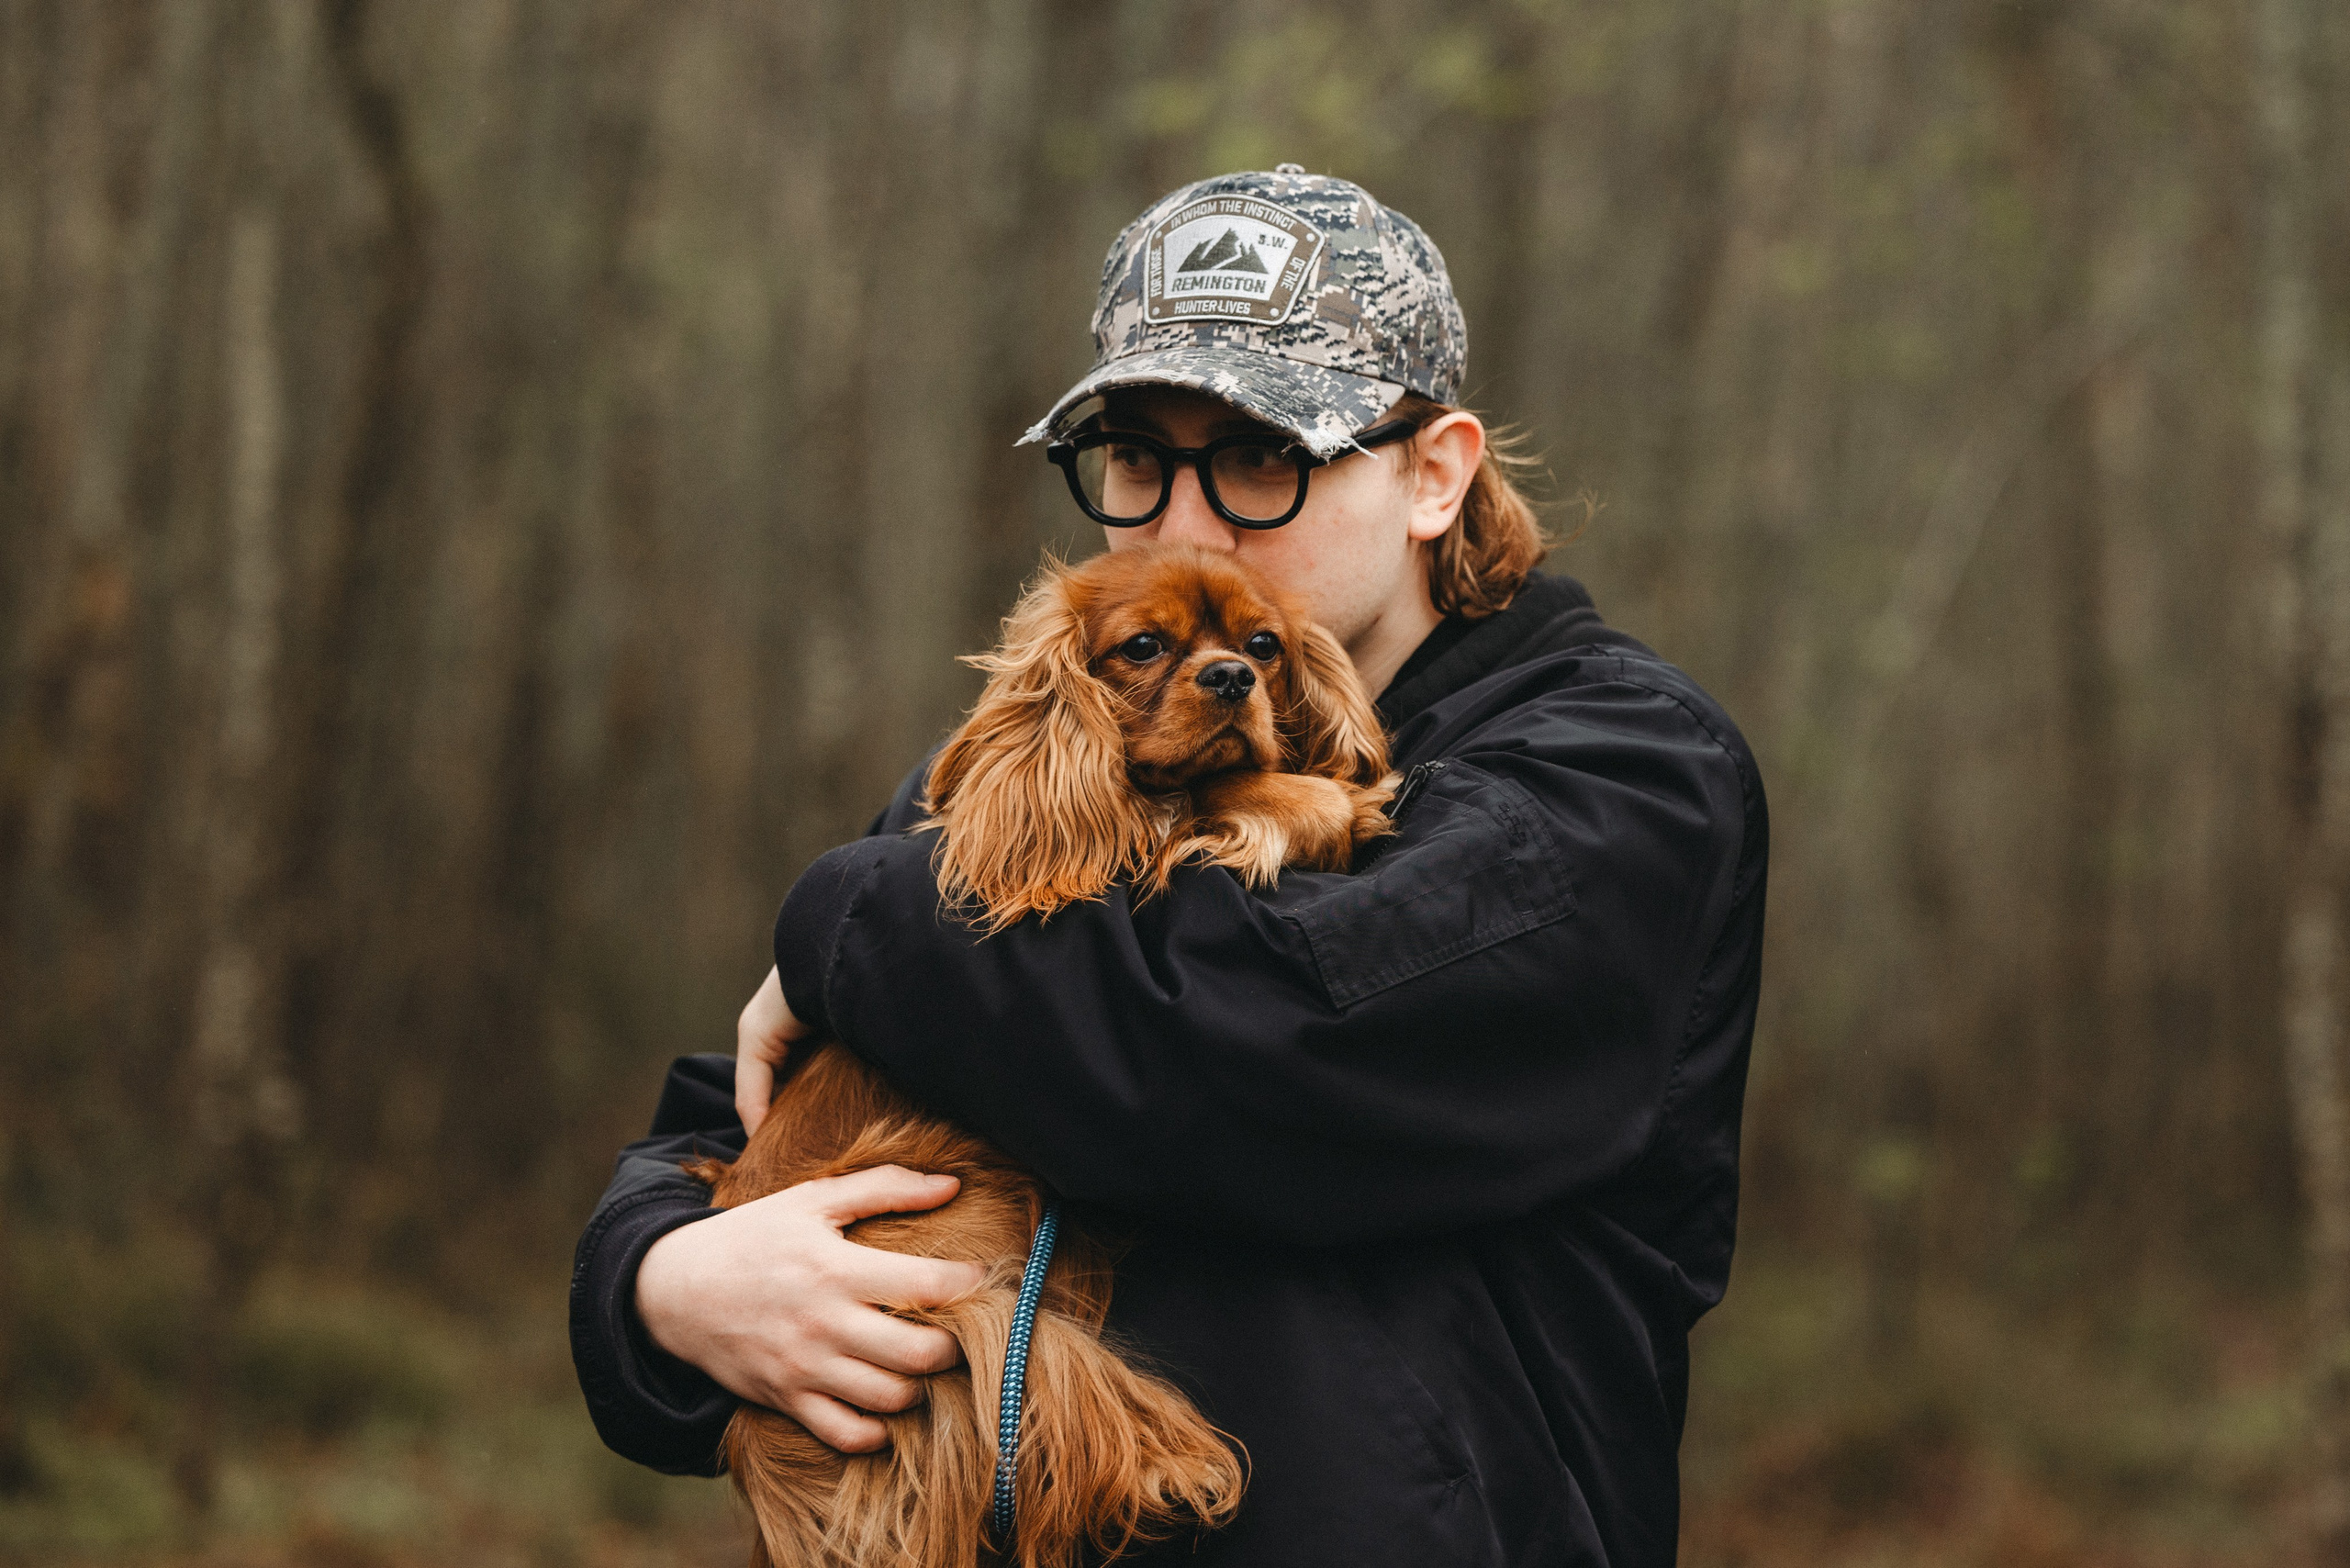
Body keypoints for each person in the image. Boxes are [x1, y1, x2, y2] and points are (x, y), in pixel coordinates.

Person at [570, 165, 1767, 1567]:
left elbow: (1262, 1042)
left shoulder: (1622, 770)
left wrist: (850, 906)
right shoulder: (1059, 751)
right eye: (1138, 459)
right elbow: (743, 1116)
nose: (1184, 526)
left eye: (1263, 454)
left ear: (1434, 473)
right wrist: (660, 1283)